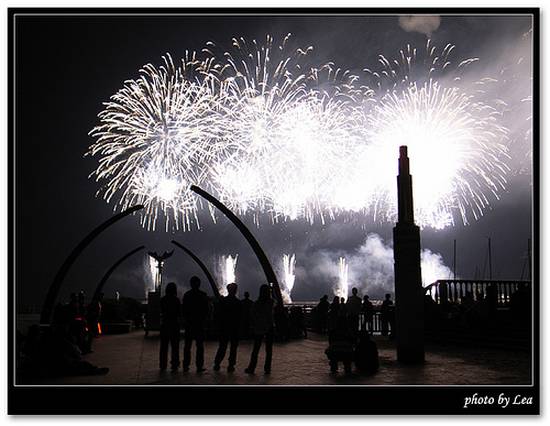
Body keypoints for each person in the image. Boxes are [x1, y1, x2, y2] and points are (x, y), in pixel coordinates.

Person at [181, 276, 209, 372]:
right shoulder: (203, 295)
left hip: (189, 323)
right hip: (199, 324)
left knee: (187, 346)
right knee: (200, 346)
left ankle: (186, 365)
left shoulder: (187, 295)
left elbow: (184, 310)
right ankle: (199, 366)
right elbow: (206, 310)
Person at [245, 284, 275, 374]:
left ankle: (252, 367)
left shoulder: (257, 303)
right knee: (269, 350)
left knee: (256, 349)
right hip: (269, 327)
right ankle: (267, 368)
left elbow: (252, 315)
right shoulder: (271, 302)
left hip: (259, 328)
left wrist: (254, 324)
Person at [214, 283, 242, 372]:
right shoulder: (238, 302)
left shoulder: (223, 301)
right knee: (233, 348)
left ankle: (217, 363)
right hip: (234, 328)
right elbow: (240, 317)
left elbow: (218, 314)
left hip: (224, 327)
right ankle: (231, 365)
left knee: (222, 346)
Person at [159, 282, 181, 371]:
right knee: (175, 346)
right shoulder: (176, 300)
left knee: (164, 346)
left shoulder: (163, 300)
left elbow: (161, 311)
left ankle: (163, 364)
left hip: (165, 324)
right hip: (174, 325)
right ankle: (174, 364)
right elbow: (179, 313)